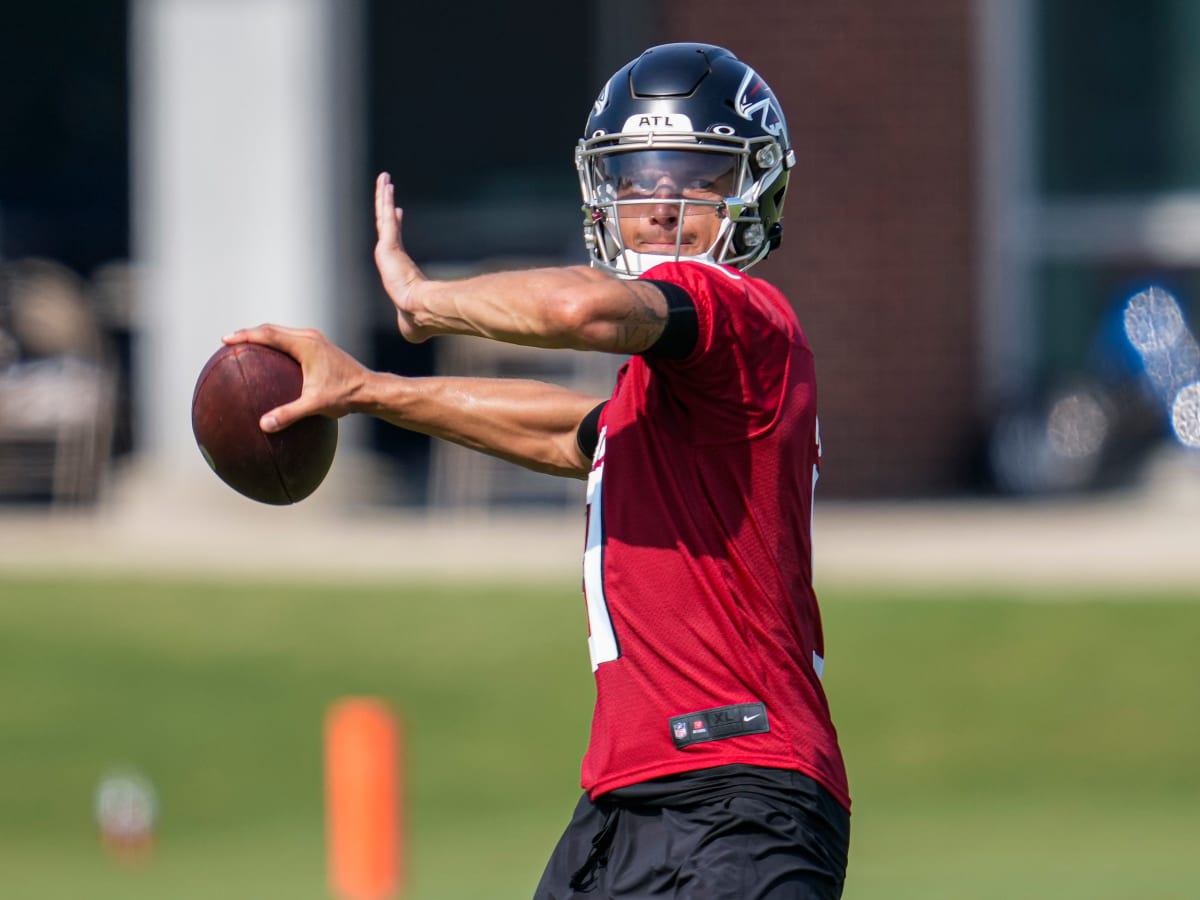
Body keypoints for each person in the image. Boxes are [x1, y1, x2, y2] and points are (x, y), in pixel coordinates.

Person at [227, 41, 850, 899]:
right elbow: (574, 433)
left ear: (752, 190)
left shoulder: (744, 314)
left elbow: (577, 307)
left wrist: (422, 300)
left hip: (738, 798)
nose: (661, 205)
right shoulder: (669, 397)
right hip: (625, 808)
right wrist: (368, 390)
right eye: (637, 178)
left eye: (696, 177)